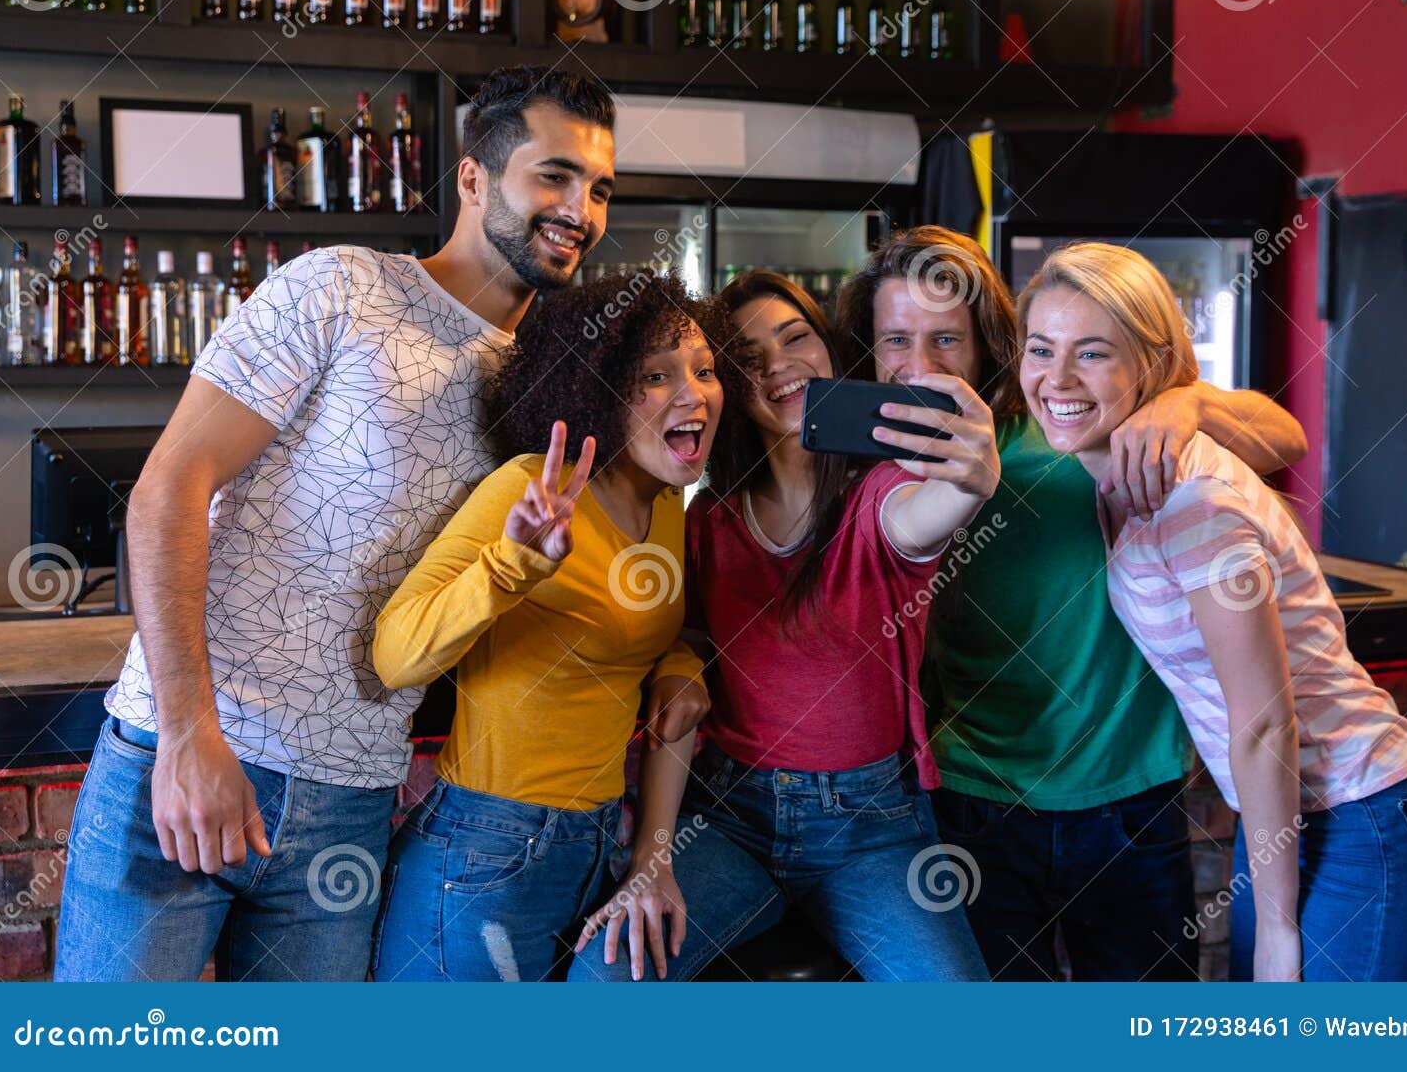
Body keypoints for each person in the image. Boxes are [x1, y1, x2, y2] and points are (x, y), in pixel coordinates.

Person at [53, 66, 697, 982]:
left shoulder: (552, 380)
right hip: (190, 758)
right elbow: (168, 488)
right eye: (552, 175)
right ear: (474, 177)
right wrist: (191, 734)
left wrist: (676, 655)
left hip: (351, 801)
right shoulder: (339, 287)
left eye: (599, 189)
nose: (580, 208)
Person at [832, 225, 1308, 981]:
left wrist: (1183, 404)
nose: (919, 366)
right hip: (976, 800)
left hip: (1130, 799)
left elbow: (1285, 435)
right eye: (896, 339)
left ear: (989, 343)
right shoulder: (877, 470)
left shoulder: (1070, 422)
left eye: (946, 339)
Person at [1017, 241, 1407, 982]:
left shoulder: (1192, 502)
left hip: (1369, 821)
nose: (1057, 378)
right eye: (1042, 348)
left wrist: (1276, 932)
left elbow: (1263, 720)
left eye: (1092, 353)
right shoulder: (1118, 475)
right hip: (1294, 820)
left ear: (1149, 366)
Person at [570, 270, 995, 982]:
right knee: (606, 979)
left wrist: (967, 481)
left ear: (830, 350)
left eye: (795, 336)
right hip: (732, 818)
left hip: (873, 829)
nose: (777, 363)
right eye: (745, 357)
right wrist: (654, 856)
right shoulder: (708, 521)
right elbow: (683, 696)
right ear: (727, 387)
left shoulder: (881, 491)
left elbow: (920, 522)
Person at [369, 272, 724, 982]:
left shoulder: (667, 505)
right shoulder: (532, 487)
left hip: (594, 844)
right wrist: (513, 563)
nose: (694, 393)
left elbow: (635, 632)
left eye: (705, 369)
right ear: (595, 387)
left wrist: (682, 663)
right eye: (656, 375)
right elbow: (394, 653)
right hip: (484, 848)